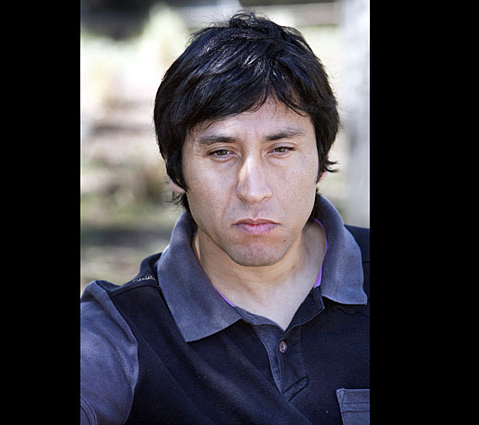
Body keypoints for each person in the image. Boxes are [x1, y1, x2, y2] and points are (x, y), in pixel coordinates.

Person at [81, 11, 369, 425]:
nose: (253, 190)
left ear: (321, 160)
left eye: (281, 150)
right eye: (221, 153)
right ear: (176, 170)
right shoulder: (118, 332)